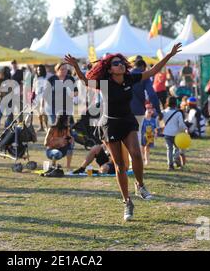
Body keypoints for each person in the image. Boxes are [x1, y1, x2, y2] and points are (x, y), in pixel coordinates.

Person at [64, 42, 183, 221]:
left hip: (128, 121)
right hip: (110, 124)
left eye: (121, 62)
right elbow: (85, 81)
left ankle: (140, 185)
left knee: (136, 154)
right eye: (116, 63)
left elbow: (153, 71)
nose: (120, 65)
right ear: (110, 70)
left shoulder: (129, 78)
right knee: (120, 166)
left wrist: (169, 55)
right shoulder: (104, 83)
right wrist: (75, 67)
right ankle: (127, 202)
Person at [130, 59, 162, 143]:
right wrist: (158, 110)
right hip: (138, 110)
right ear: (143, 67)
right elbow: (152, 94)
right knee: (137, 135)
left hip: (124, 111)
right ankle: (137, 156)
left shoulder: (126, 74)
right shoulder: (144, 76)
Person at [162, 96, 188, 171]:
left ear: (167, 103)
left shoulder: (164, 112)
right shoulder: (178, 113)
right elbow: (181, 124)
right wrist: (185, 129)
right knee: (176, 148)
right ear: (175, 104)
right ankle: (176, 159)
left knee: (169, 149)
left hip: (167, 133)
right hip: (176, 134)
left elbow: (159, 120)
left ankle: (170, 165)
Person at [32, 64, 49, 132]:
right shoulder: (35, 78)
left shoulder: (46, 78)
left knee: (44, 112)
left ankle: (47, 127)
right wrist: (32, 97)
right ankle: (41, 126)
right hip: (37, 97)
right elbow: (33, 88)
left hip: (44, 97)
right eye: (38, 70)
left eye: (40, 70)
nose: (39, 71)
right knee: (39, 113)